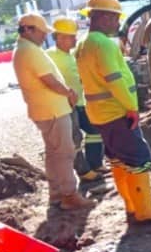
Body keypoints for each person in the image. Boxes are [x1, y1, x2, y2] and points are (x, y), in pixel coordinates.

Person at [76, 0, 151, 222]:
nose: (118, 23)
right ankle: (145, 210)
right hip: (117, 112)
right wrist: (131, 107)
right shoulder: (104, 45)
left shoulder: (83, 44)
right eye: (115, 17)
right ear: (103, 17)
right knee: (138, 158)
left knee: (118, 159)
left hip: (99, 114)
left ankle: (133, 204)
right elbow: (115, 79)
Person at [12, 13, 95, 210]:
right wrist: (68, 92)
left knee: (53, 153)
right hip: (53, 110)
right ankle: (69, 194)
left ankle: (57, 193)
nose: (44, 37)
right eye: (41, 33)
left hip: (46, 110)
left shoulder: (25, 49)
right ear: (28, 30)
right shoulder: (30, 51)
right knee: (64, 153)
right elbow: (48, 79)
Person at [46, 17, 106, 181]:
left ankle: (95, 163)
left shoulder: (72, 54)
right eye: (72, 36)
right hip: (64, 105)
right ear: (59, 37)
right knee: (74, 138)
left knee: (95, 130)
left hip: (80, 102)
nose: (75, 39)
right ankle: (84, 172)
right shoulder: (50, 56)